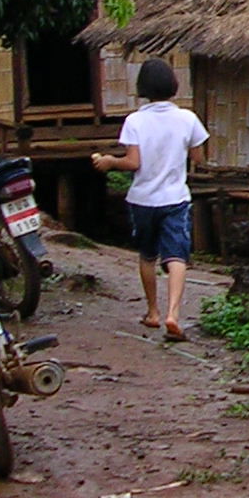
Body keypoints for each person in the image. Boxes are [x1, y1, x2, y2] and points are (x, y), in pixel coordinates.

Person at [90, 58, 208, 341]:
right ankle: (174, 314)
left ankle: (153, 312)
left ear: (142, 88)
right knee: (177, 255)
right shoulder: (187, 118)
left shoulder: (135, 120)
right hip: (175, 197)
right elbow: (199, 158)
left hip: (142, 199)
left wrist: (108, 162)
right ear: (173, 86)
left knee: (147, 254)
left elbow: (132, 162)